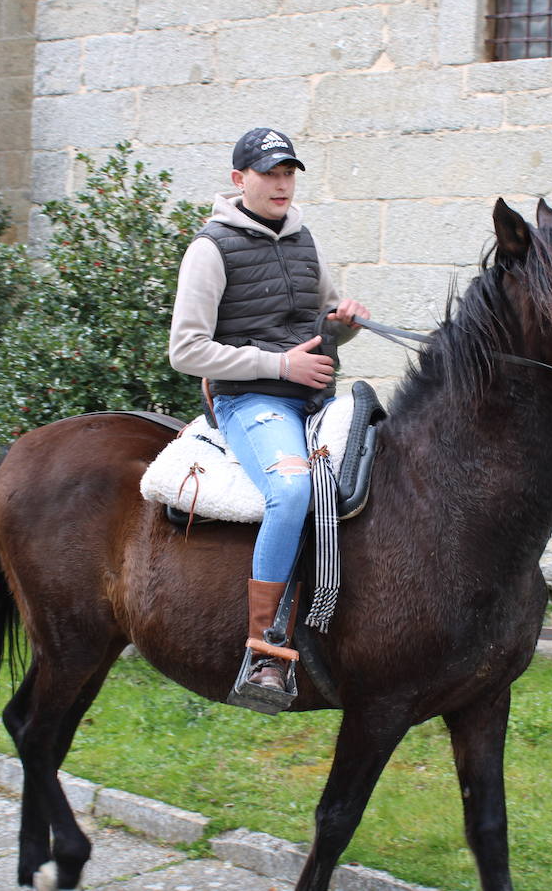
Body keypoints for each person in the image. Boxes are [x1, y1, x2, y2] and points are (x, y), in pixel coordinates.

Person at [169, 127, 369, 696]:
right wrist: (282, 367)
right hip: (247, 400)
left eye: (288, 173)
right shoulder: (210, 249)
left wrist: (341, 325)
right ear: (240, 181)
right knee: (293, 491)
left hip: (313, 397)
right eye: (269, 174)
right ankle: (266, 652)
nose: (282, 184)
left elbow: (323, 326)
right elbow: (185, 349)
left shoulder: (305, 241)